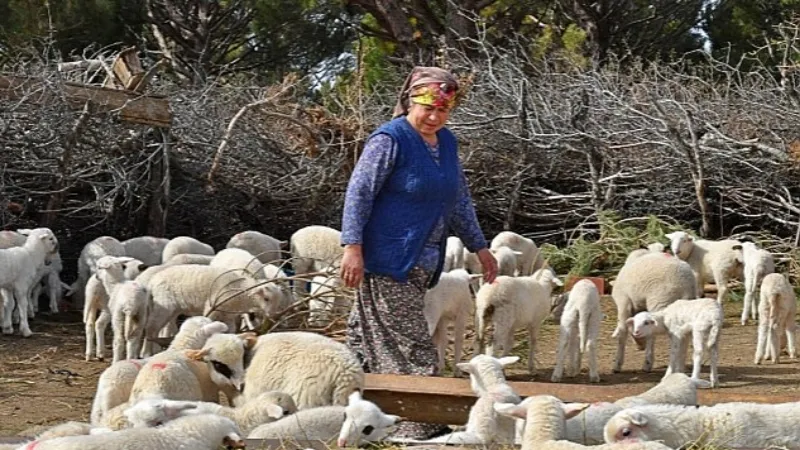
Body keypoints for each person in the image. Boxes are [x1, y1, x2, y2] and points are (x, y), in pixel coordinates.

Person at [339, 66, 498, 439]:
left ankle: (357, 420)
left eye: (443, 110)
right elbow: (359, 192)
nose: (434, 117)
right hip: (388, 260)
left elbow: (458, 199)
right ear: (410, 101)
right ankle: (417, 427)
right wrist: (352, 247)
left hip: (421, 264)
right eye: (427, 108)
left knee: (365, 340)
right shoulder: (390, 140)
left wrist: (480, 246)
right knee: (411, 345)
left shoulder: (446, 143)